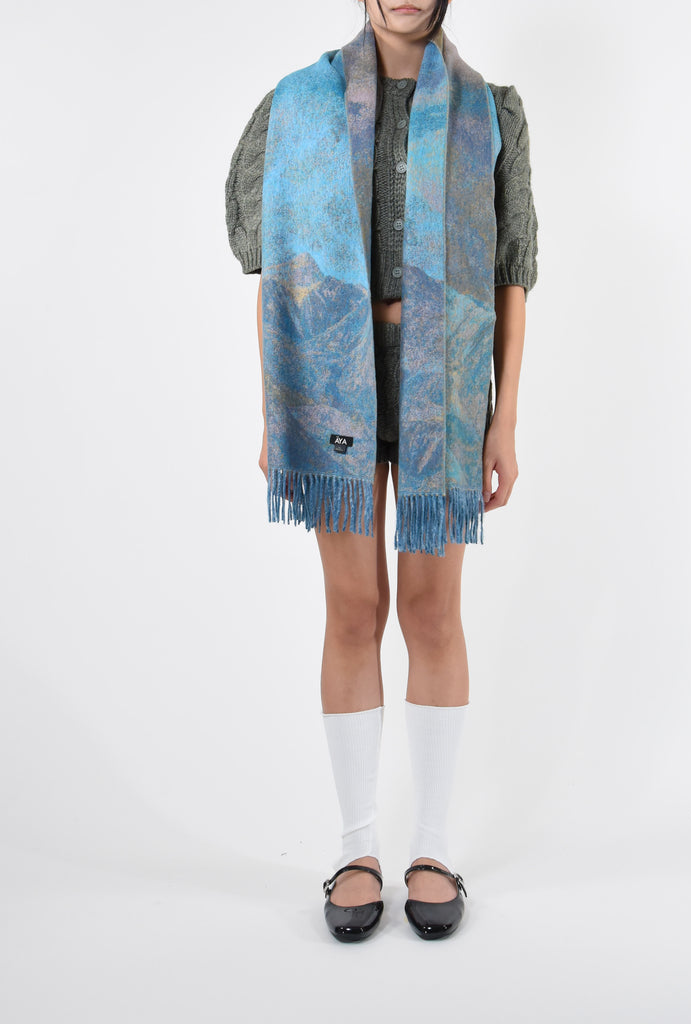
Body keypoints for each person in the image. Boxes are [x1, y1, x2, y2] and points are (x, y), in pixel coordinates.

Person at [225, 0, 538, 942]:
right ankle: (357, 848)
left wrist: (503, 419)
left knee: (432, 612)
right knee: (354, 608)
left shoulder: (492, 110)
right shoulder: (297, 104)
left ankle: (431, 848)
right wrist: (275, 408)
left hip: (445, 386)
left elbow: (513, 271)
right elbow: (271, 265)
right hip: (331, 384)